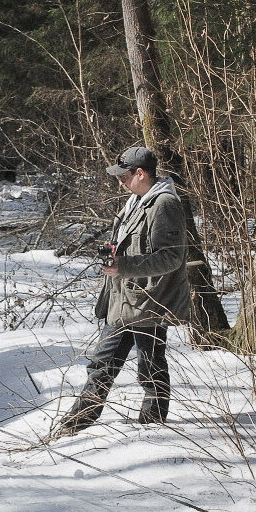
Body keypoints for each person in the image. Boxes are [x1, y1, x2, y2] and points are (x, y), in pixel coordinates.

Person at [57, 146, 191, 436]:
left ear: (140, 173)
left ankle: (152, 428)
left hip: (149, 302)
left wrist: (124, 265)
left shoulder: (164, 203)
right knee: (102, 363)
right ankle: (75, 425)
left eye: (124, 175)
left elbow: (171, 257)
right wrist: (116, 253)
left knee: (150, 367)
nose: (119, 181)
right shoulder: (135, 201)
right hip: (124, 300)